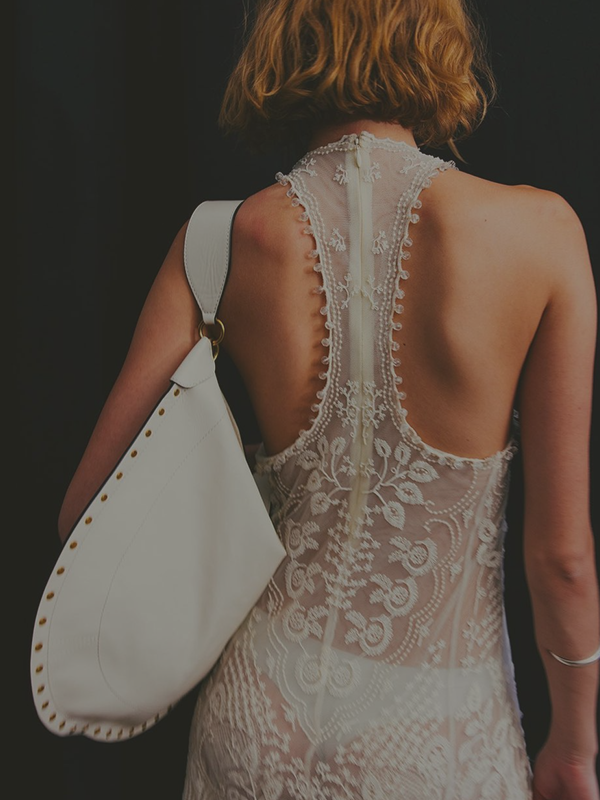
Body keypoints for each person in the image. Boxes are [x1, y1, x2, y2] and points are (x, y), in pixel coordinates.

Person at [57, 0, 599, 798]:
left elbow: (88, 512)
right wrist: (574, 746)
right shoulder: (541, 232)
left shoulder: (218, 242)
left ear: (285, 41)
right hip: (434, 742)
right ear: (437, 34)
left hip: (253, 718)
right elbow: (563, 561)